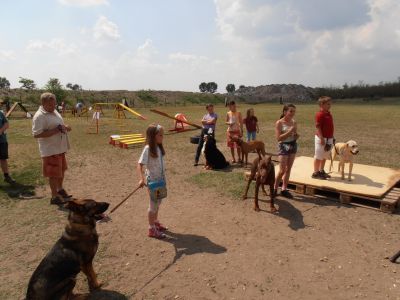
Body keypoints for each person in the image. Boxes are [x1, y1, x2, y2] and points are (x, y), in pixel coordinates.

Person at [32, 92, 72, 205]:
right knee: (54, 174)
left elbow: (59, 125)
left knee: (61, 170)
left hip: (60, 148)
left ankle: (60, 189)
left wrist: (66, 127)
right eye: (50, 105)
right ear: (43, 103)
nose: (53, 107)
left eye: (54, 104)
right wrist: (56, 130)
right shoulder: (39, 116)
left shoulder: (54, 111)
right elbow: (36, 134)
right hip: (50, 150)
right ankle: (54, 197)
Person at [138, 124, 168, 239]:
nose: (162, 137)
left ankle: (155, 222)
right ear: (153, 136)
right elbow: (139, 164)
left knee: (158, 203)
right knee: (153, 206)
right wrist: (141, 178)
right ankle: (151, 229)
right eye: (160, 135)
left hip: (160, 181)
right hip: (153, 183)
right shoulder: (148, 148)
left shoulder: (159, 147)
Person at [274, 104, 299, 198]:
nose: (293, 113)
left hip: (293, 145)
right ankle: (275, 188)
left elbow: (295, 136)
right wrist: (289, 132)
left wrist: (296, 135)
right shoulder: (279, 123)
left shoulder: (294, 122)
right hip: (283, 146)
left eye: (294, 111)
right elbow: (278, 138)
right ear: (285, 112)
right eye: (291, 111)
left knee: (288, 169)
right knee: (282, 170)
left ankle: (284, 189)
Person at [312, 96, 334, 180]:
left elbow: (330, 127)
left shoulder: (328, 114)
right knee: (318, 156)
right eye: (328, 104)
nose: (330, 105)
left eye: (330, 104)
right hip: (321, 138)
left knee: (325, 156)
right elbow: (318, 127)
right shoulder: (319, 114)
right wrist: (321, 138)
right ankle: (315, 172)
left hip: (329, 138)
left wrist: (331, 136)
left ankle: (321, 171)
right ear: (322, 104)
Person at [0, 110, 16, 184]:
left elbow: (6, 124)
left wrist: (0, 131)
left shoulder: (0, 113)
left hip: (2, 140)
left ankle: (6, 176)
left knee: (3, 159)